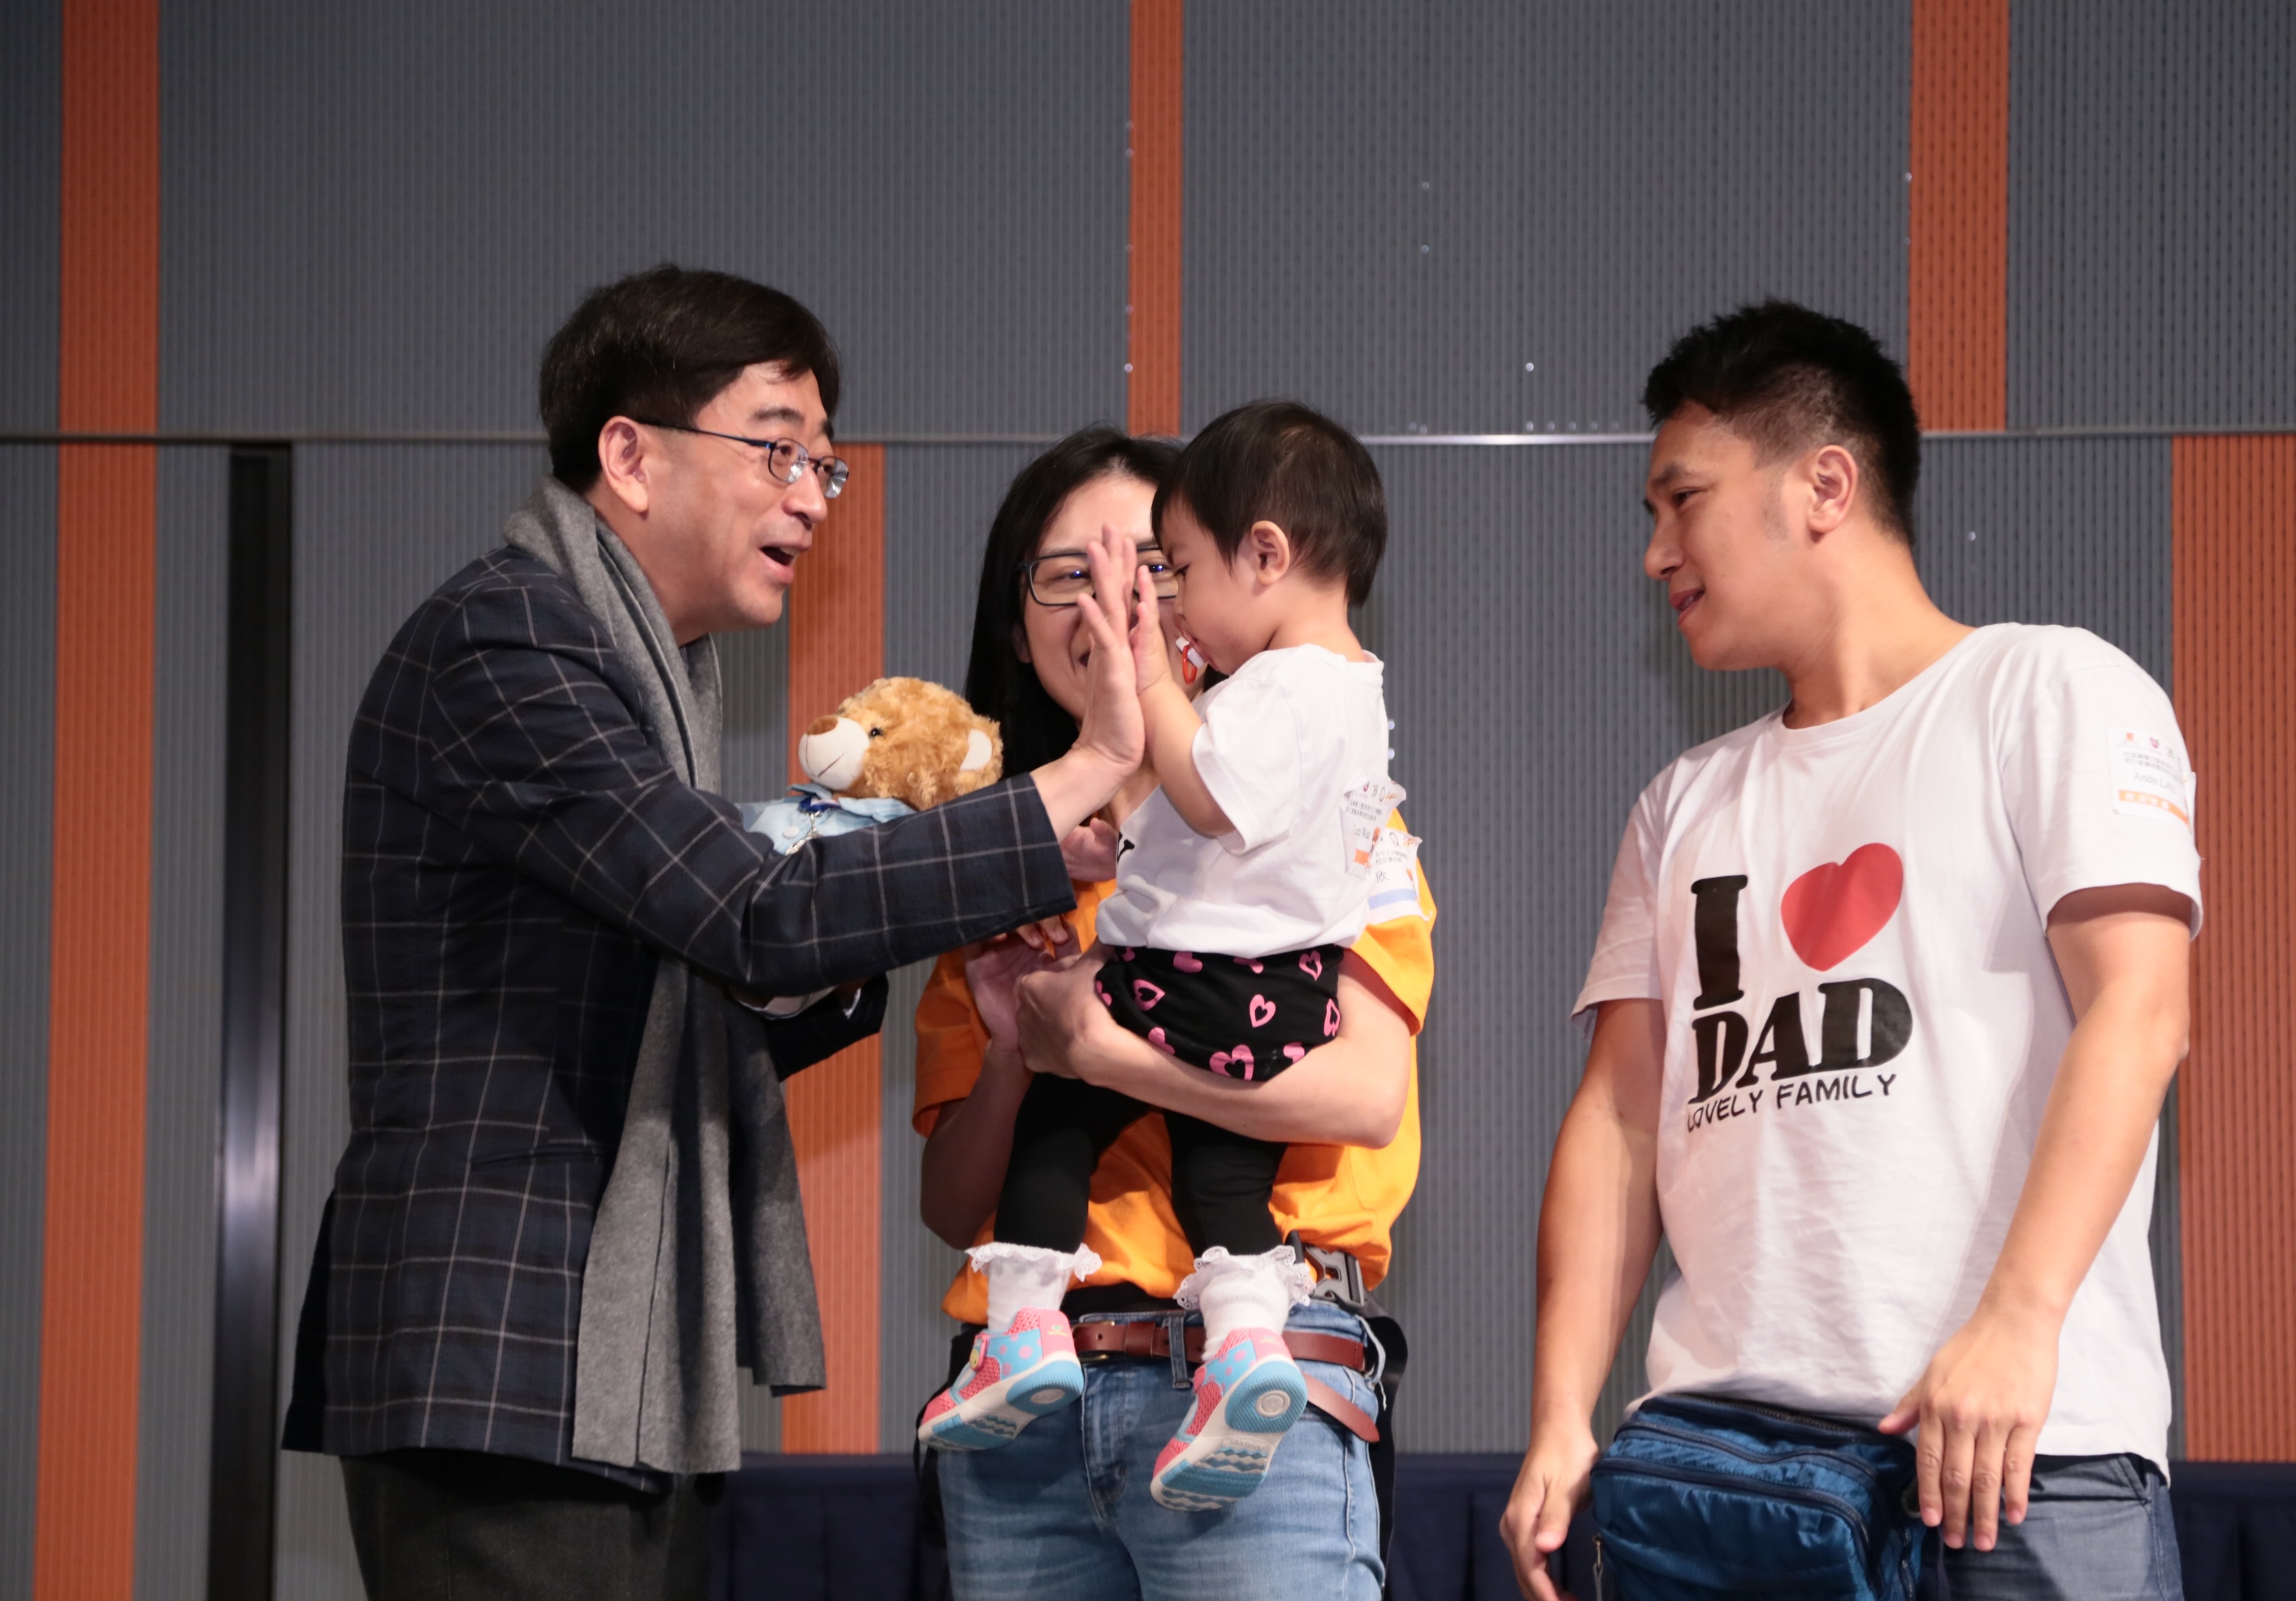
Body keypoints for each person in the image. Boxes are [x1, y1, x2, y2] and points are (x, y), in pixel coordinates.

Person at [279, 265, 1145, 1601]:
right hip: (505, 1332)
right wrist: (1079, 775)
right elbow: (753, 916)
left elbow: (710, 976)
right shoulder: (508, 638)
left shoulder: (645, 681)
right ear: (628, 452)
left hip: (591, 1359)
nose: (809, 493)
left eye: (825, 464)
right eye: (777, 448)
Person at [1500, 302, 2199, 1599]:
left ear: (1826, 482)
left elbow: (2142, 1011)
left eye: (1682, 501)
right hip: (1727, 1472)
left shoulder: (2050, 690)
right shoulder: (1680, 802)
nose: (1657, 552)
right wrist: (1560, 1411)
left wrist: (2018, 1317)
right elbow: (1618, 1117)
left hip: (2021, 1457)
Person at [911, 425, 1436, 1599]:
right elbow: (951, 1203)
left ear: (1223, 577)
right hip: (1023, 1434)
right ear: (1018, 622)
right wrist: (1014, 1054)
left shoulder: (1340, 830)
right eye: (1071, 573)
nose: (1118, 598)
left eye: (1154, 564)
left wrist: (1100, 1051)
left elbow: (1363, 1092)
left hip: (1259, 1397)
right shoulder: (991, 870)